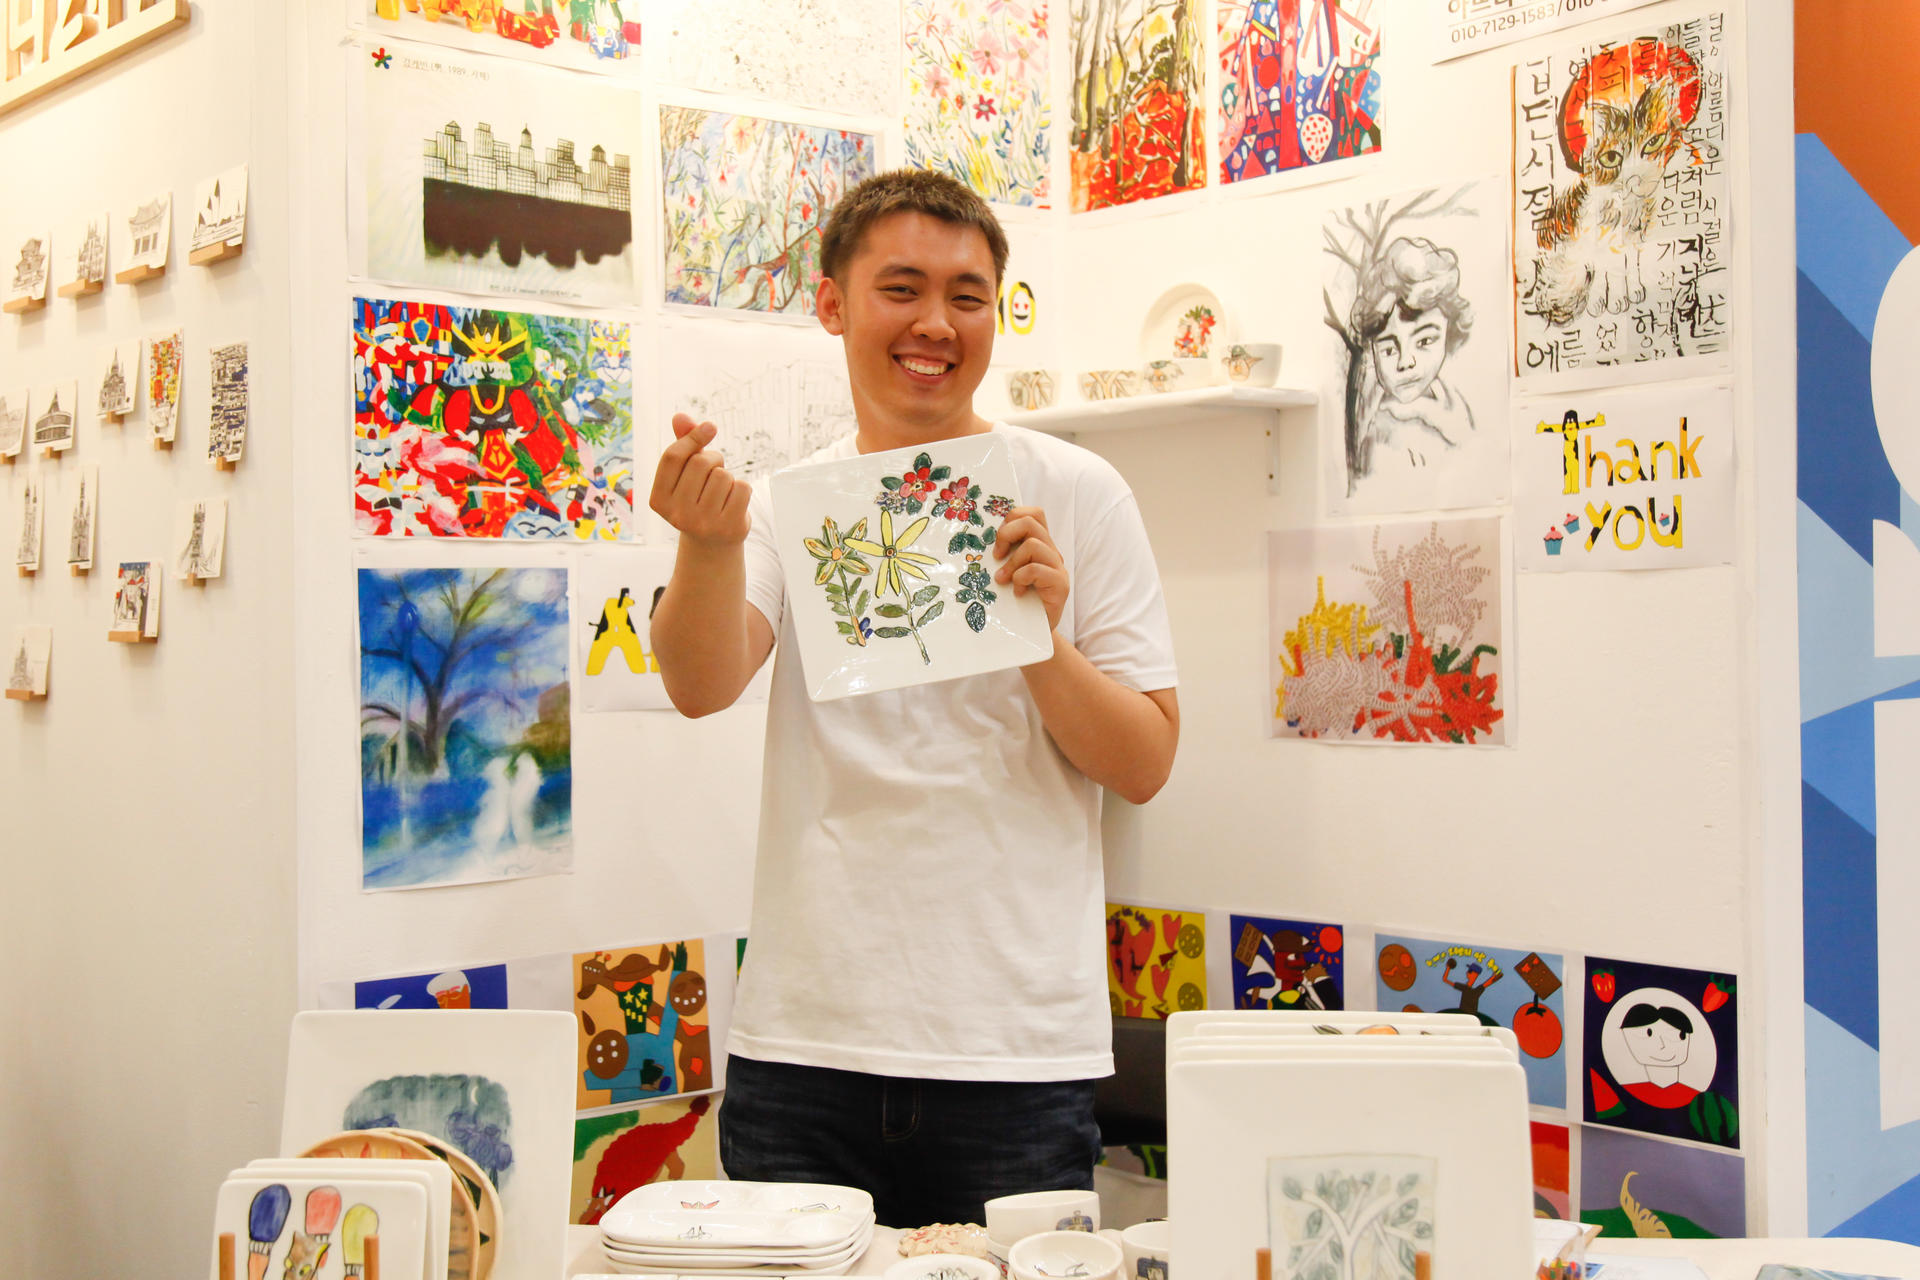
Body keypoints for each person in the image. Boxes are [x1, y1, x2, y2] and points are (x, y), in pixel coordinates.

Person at [646, 170, 1181, 1227]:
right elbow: (701, 684)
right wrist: (707, 544)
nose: (937, 323)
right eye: (902, 289)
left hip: (1017, 1055)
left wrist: (1040, 638)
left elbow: (1145, 762)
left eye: (967, 296)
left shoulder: (1078, 491)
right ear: (832, 304)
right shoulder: (789, 505)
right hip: (804, 1047)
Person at [1348, 236, 1477, 483]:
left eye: (1425, 341)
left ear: (1448, 335)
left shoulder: (1451, 402)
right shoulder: (1384, 435)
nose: (1405, 362)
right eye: (1388, 350)